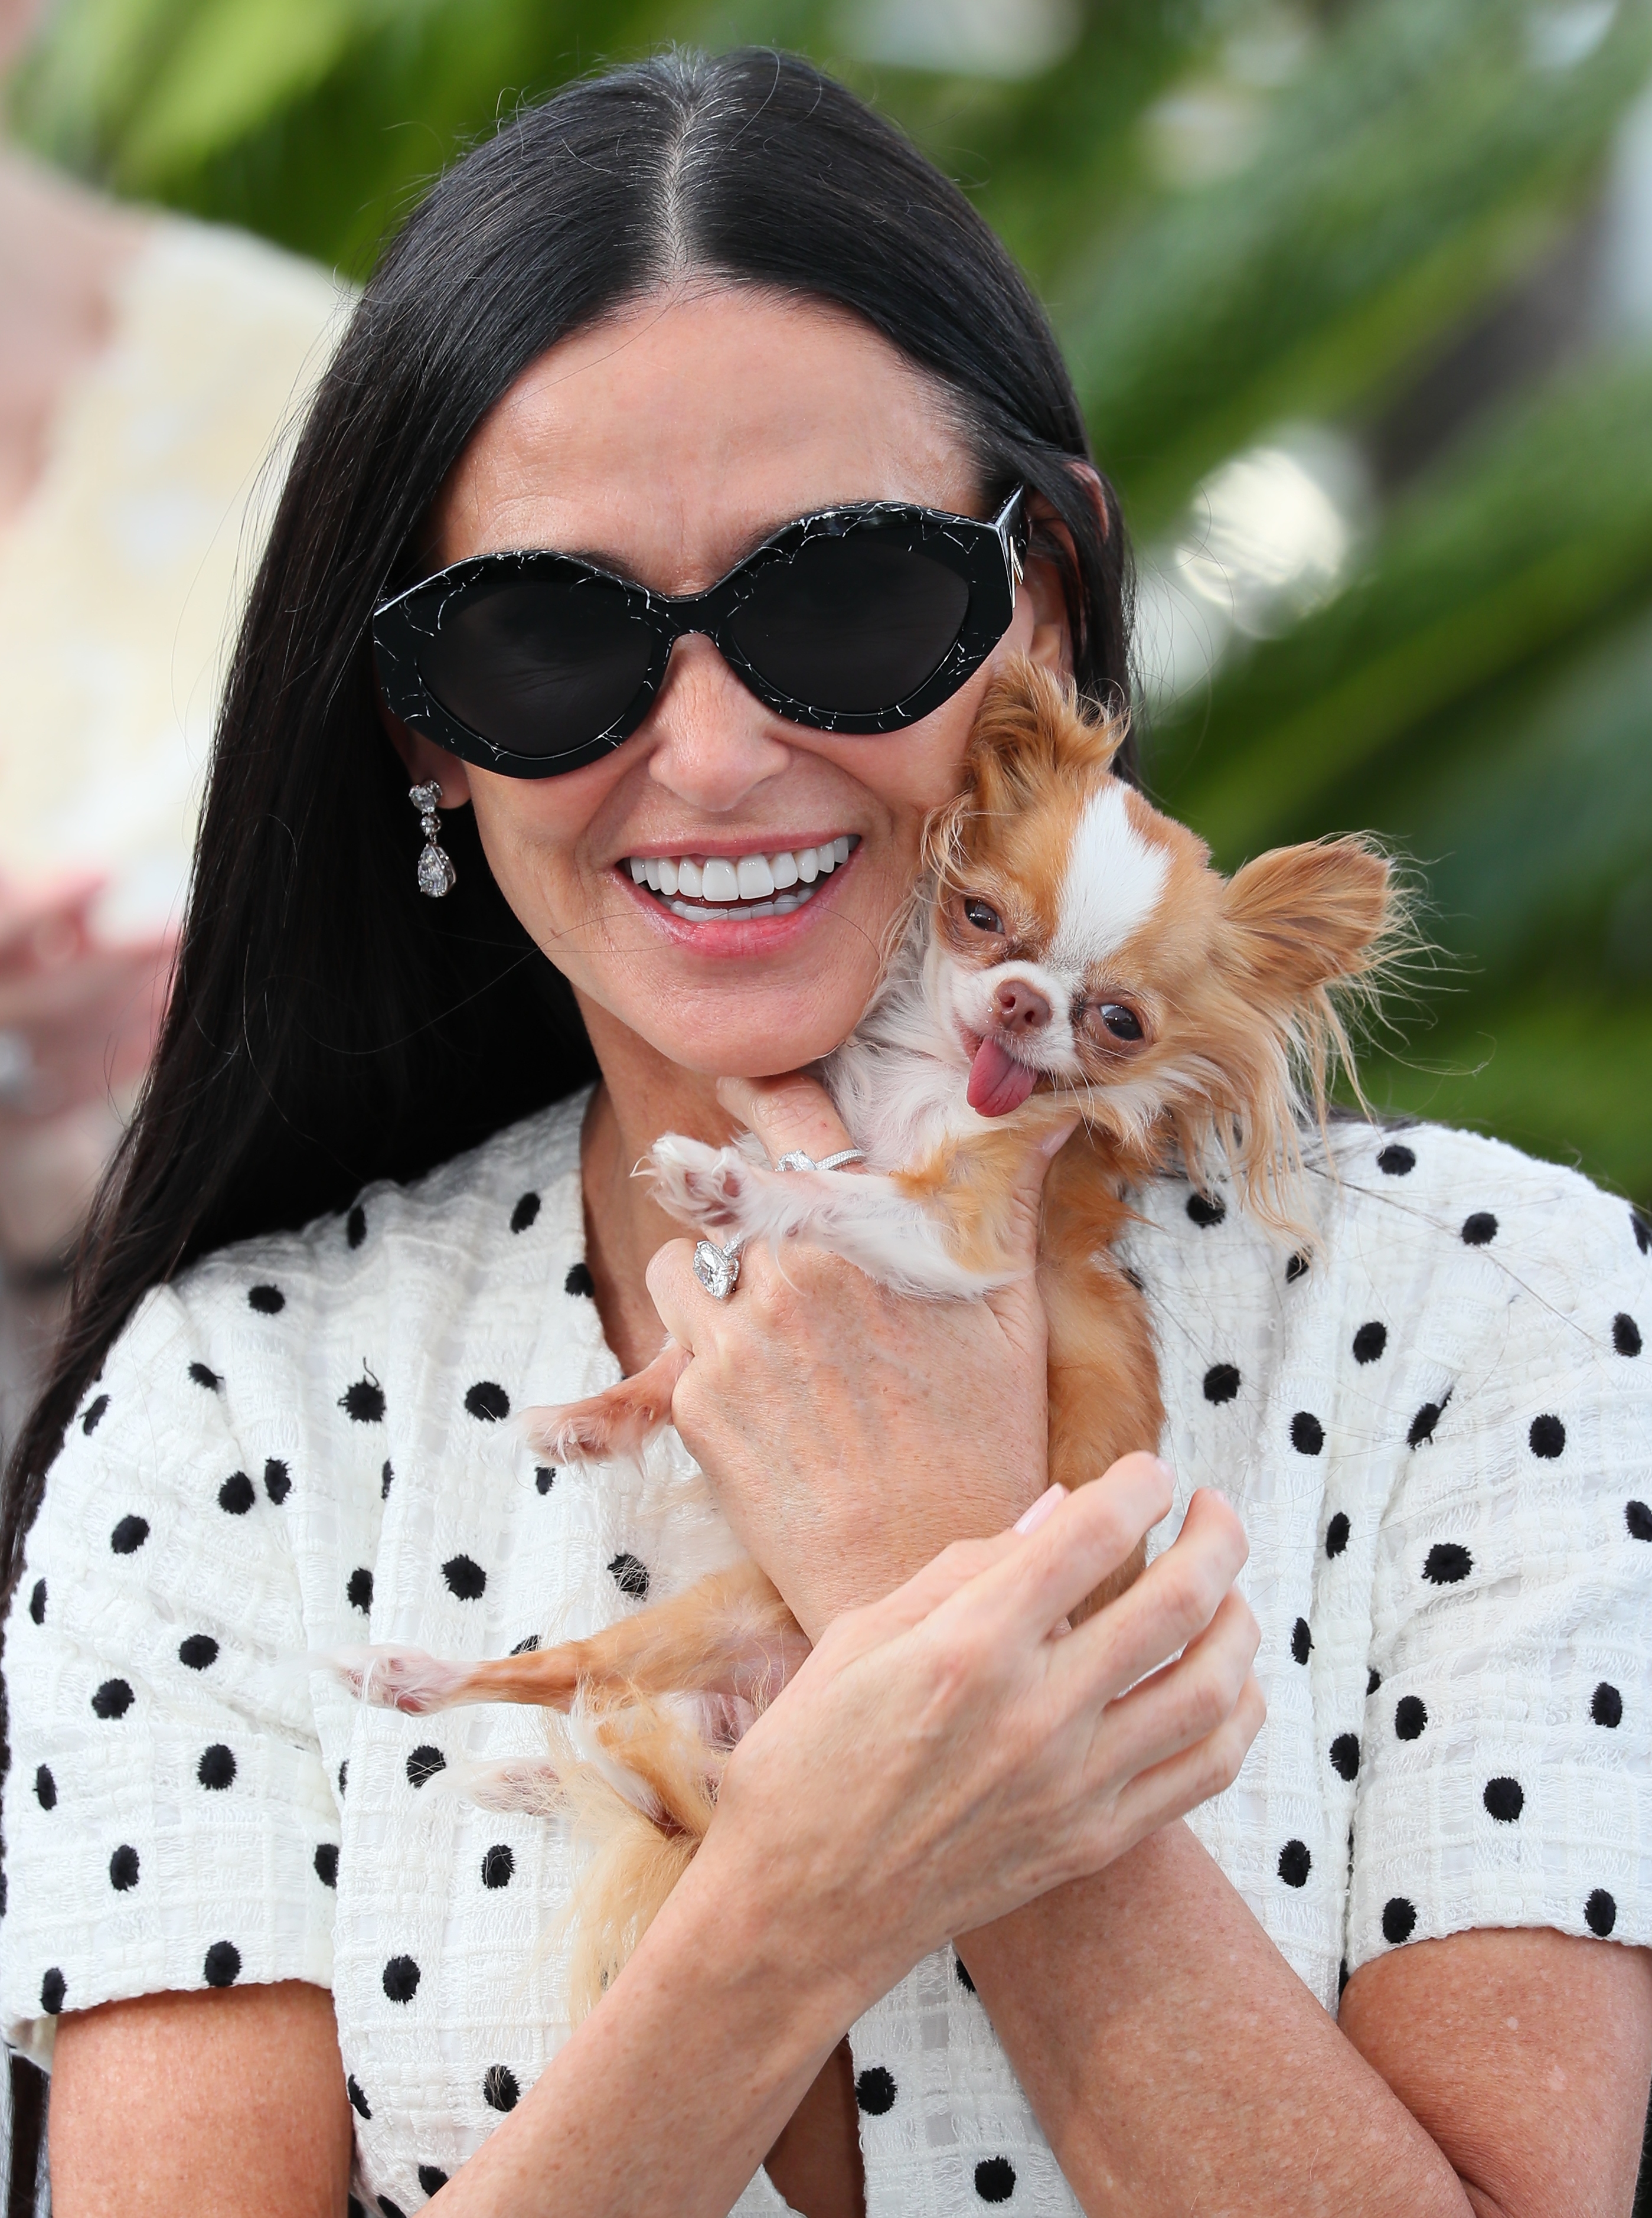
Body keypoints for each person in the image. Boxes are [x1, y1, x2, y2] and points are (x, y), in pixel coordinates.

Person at [1, 48, 1648, 2218]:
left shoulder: (1483, 1322)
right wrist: (799, 1898)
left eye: (844, 600)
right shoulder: (245, 1408)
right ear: (422, 729)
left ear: (1039, 605)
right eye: (540, 638)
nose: (709, 753)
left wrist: (932, 1577)